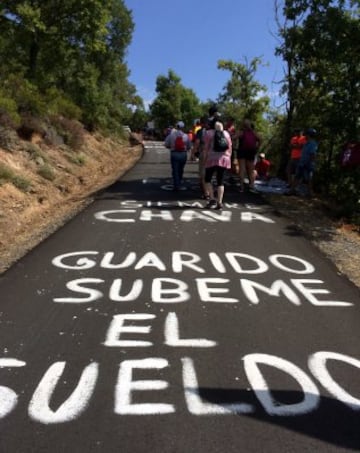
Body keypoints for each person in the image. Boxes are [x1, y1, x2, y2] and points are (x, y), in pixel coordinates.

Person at [203, 119, 232, 209]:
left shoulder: (208, 133)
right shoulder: (226, 134)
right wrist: (229, 157)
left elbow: (206, 148)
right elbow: (230, 147)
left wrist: (204, 159)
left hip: (212, 158)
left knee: (207, 179)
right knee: (220, 181)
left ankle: (212, 198)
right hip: (224, 159)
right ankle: (220, 202)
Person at [287, 128, 318, 197]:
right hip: (302, 163)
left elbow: (313, 155)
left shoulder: (313, 144)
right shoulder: (306, 143)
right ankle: (292, 190)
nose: (305, 136)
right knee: (297, 177)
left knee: (309, 179)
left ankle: (310, 193)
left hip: (307, 164)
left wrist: (310, 163)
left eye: (306, 134)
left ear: (309, 135)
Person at [164, 121, 191, 191]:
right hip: (183, 154)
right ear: (183, 128)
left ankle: (176, 184)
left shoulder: (171, 135)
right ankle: (179, 181)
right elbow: (189, 146)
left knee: (175, 170)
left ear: (177, 127)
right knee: (181, 169)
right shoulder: (186, 136)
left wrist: (171, 147)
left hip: (174, 153)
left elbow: (166, 144)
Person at [236, 119, 261, 193]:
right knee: (251, 169)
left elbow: (233, 137)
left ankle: (241, 186)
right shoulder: (254, 133)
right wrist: (257, 147)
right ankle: (252, 185)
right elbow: (261, 139)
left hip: (242, 151)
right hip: (251, 151)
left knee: (242, 169)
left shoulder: (241, 132)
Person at [191, 116, 209, 199]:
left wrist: (193, 153)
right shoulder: (213, 131)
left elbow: (197, 143)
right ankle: (209, 190)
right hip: (213, 155)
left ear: (201, 123)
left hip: (204, 153)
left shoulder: (201, 131)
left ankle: (206, 193)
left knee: (202, 174)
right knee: (210, 173)